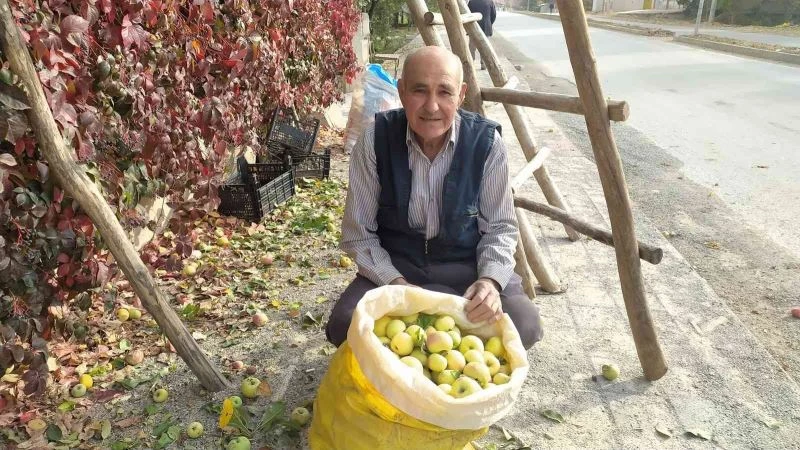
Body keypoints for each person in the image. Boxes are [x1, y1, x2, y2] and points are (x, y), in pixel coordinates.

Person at [325, 46, 543, 350]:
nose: (432, 106)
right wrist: (396, 285)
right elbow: (358, 234)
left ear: (461, 94)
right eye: (419, 90)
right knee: (344, 325)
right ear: (401, 91)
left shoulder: (486, 144)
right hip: (398, 266)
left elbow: (500, 228)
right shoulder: (374, 142)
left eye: (444, 92)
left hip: (466, 267)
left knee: (524, 324)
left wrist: (490, 282)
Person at [467, 0, 497, 70]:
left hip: (473, 26)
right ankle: (483, 65)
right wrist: (489, 23)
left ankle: (471, 64)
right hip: (485, 28)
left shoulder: (471, 2)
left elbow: (468, 14)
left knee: (472, 47)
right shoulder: (490, 2)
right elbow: (493, 15)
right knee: (484, 47)